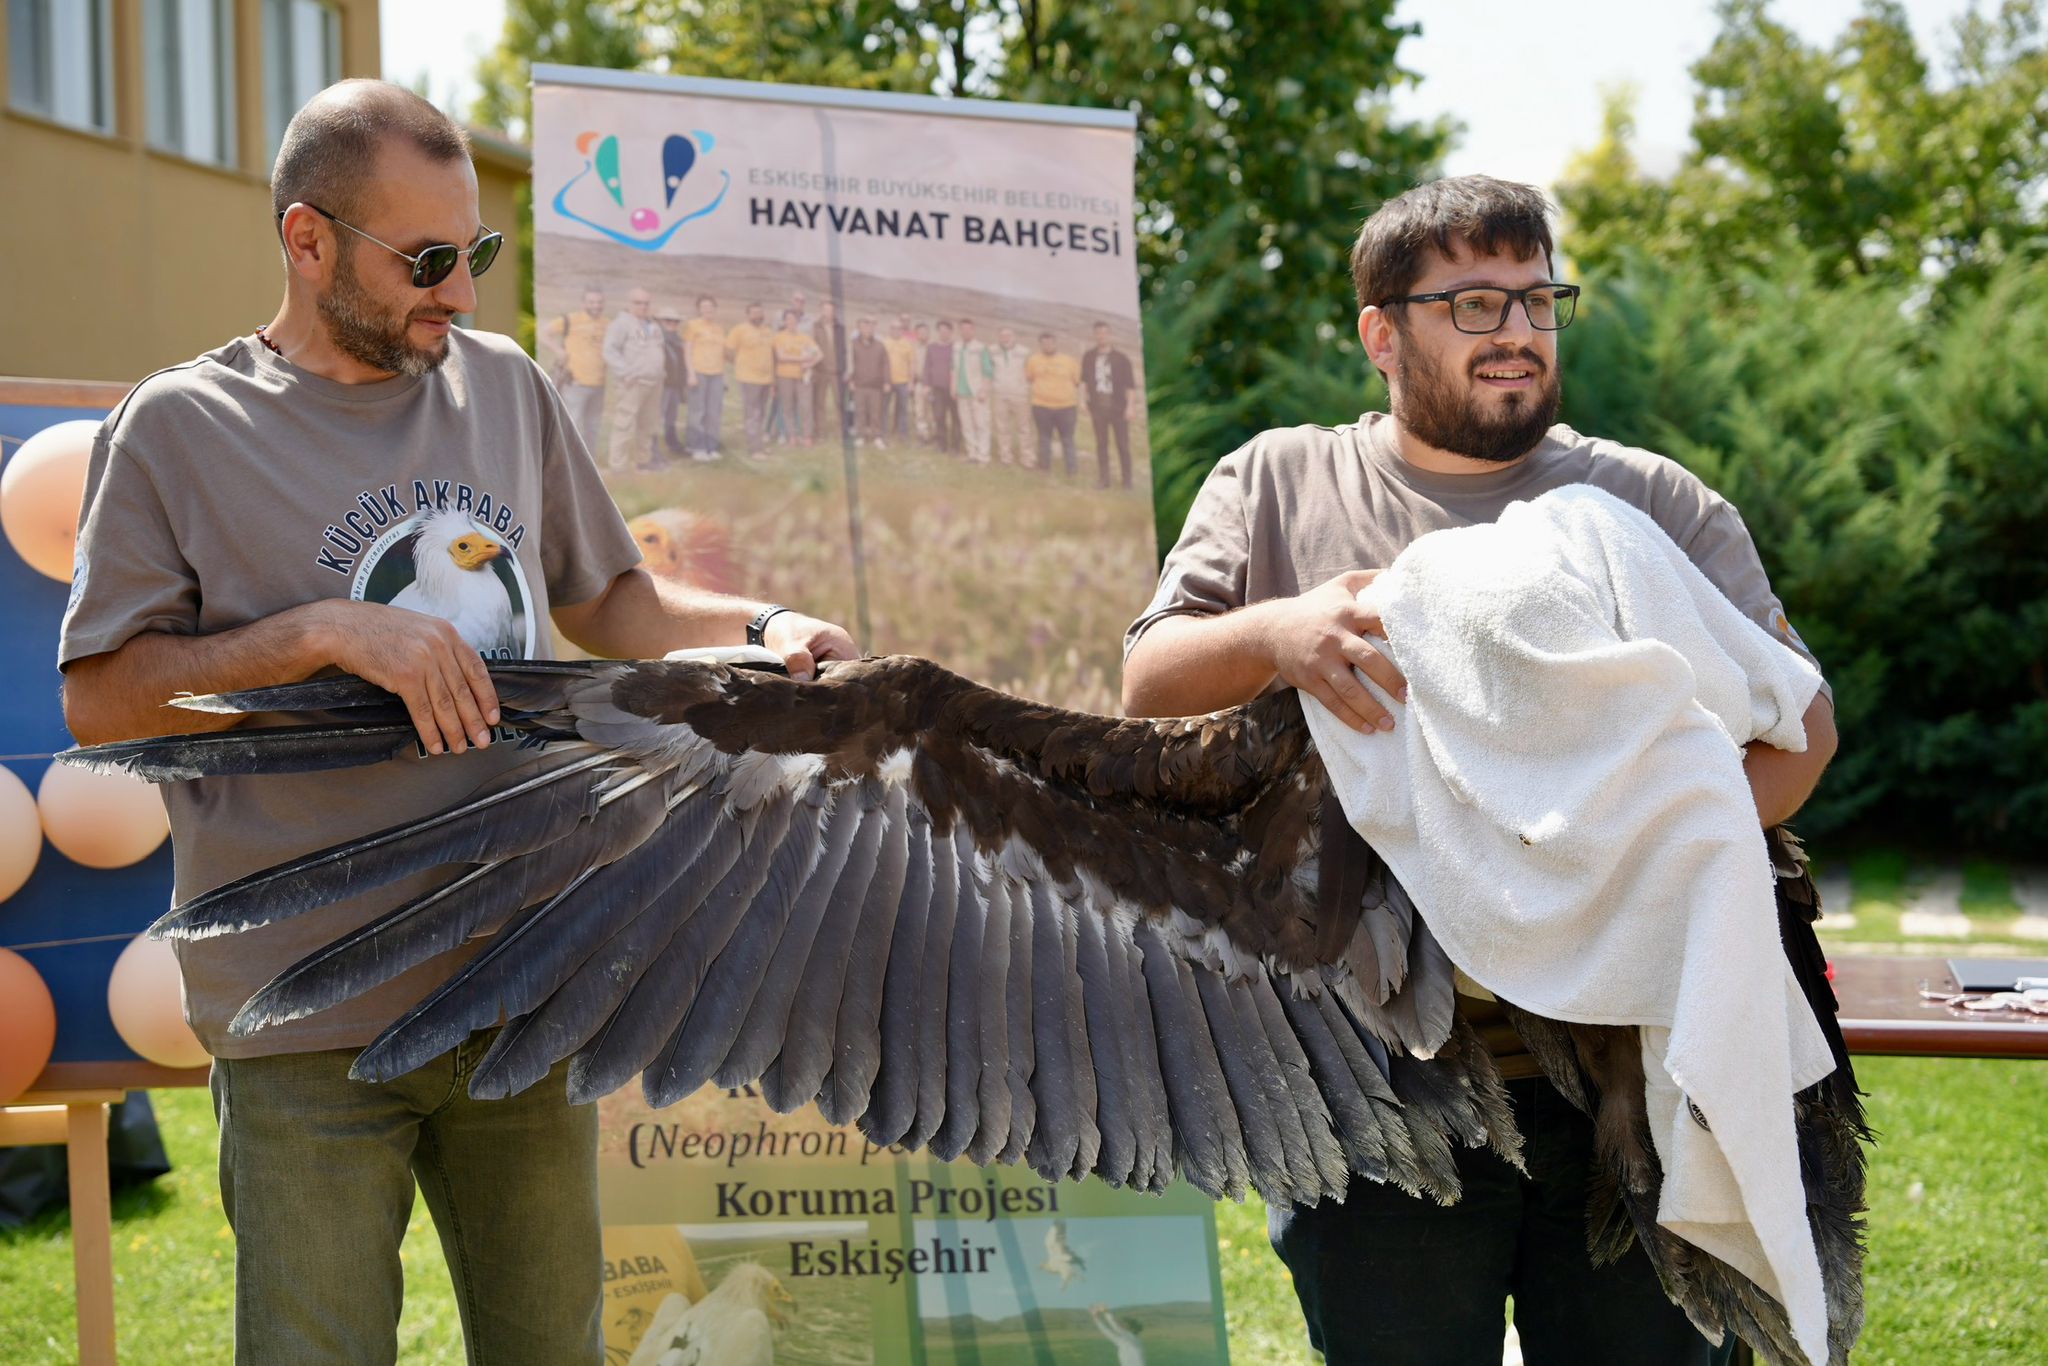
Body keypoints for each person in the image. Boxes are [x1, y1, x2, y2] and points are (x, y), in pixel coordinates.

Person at [56, 79, 857, 1366]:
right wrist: (321, 631)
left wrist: (764, 630)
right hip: (302, 1012)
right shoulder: (175, 429)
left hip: (517, 983)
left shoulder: (503, 385)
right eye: (427, 261)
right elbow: (100, 696)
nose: (464, 294)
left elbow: (610, 596)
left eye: (473, 253)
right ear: (306, 242)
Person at [1120, 175, 1837, 1366]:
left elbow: (1798, 733)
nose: (1514, 329)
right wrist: (1280, 632)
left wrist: (1625, 857)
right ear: (1380, 333)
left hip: (1630, 1085)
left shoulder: (1645, 502)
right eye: (1469, 302)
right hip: (1376, 1087)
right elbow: (1148, 682)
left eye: (1535, 297)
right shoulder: (1278, 482)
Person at [601, 286, 665, 472]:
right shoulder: (621, 324)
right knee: (624, 424)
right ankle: (618, 466)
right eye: (638, 303)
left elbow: (657, 351)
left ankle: (643, 461)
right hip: (633, 382)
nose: (643, 307)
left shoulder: (653, 326)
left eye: (646, 303)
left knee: (647, 424)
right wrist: (625, 372)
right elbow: (609, 350)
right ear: (629, 303)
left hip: (653, 383)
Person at [541, 286, 606, 447]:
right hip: (575, 383)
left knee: (593, 426)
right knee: (573, 425)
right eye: (591, 302)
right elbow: (543, 333)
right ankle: (571, 466)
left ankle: (590, 464)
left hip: (599, 384)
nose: (595, 305)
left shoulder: (607, 324)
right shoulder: (571, 320)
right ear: (584, 303)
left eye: (599, 302)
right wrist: (558, 350)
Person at [1083, 320, 1139, 489]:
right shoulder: (1089, 357)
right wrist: (1082, 401)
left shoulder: (1121, 359)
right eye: (1098, 333)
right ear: (1095, 335)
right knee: (1101, 444)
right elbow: (1084, 381)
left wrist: (1130, 407)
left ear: (1110, 335)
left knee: (1122, 445)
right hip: (1098, 408)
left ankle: (1127, 481)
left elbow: (1130, 385)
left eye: (1105, 333)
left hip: (1118, 409)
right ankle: (1104, 480)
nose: (1101, 336)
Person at [1025, 332, 1080, 476]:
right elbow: (1030, 378)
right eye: (1044, 343)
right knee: (1044, 438)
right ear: (1040, 344)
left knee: (1067, 439)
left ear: (1055, 343)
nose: (1047, 346)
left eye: (1050, 343)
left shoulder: (1069, 361)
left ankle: (1071, 470)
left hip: (1066, 407)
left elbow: (1077, 381)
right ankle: (1044, 468)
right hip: (1041, 406)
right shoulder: (1033, 360)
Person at [726, 301, 776, 460]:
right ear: (748, 314)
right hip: (749, 379)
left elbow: (772, 354)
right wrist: (740, 364)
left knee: (761, 413)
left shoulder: (768, 331)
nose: (757, 316)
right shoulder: (739, 330)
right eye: (754, 313)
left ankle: (759, 443)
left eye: (759, 312)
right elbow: (727, 351)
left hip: (766, 379)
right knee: (752, 414)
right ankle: (754, 449)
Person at [682, 294, 727, 460]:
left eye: (710, 307)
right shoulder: (693, 326)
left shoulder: (719, 328)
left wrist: (724, 376)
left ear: (715, 309)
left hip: (717, 374)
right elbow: (687, 351)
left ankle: (711, 447)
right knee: (697, 412)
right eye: (704, 307)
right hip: (699, 373)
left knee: (714, 413)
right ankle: (697, 447)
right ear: (699, 309)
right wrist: (691, 373)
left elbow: (722, 353)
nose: (707, 310)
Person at [770, 308, 822, 448]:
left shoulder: (804, 337)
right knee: (788, 407)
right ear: (784, 321)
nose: (791, 321)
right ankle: (791, 436)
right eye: (788, 319)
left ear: (797, 321)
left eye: (793, 319)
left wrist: (810, 363)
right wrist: (802, 358)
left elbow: (819, 354)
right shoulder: (779, 337)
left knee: (805, 406)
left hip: (802, 378)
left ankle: (806, 437)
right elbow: (781, 357)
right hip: (784, 377)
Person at [988, 324, 1033, 466]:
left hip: (1020, 395)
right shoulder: (991, 351)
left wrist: (1025, 388)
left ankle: (1027, 459)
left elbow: (1030, 372)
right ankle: (1005, 457)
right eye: (1002, 336)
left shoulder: (1025, 352)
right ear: (998, 337)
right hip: (999, 395)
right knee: (1002, 428)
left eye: (1008, 335)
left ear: (1014, 337)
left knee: (1024, 428)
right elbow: (988, 371)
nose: (1005, 338)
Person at [953, 317, 994, 464]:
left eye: (968, 329)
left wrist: (984, 390)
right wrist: (954, 388)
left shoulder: (980, 347)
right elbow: (954, 368)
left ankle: (983, 456)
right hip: (961, 392)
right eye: (962, 329)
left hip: (977, 393)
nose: (965, 332)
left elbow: (988, 371)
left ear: (973, 330)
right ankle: (972, 454)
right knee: (967, 425)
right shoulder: (957, 347)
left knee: (981, 424)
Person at [849, 316, 890, 448]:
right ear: (859, 329)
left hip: (876, 386)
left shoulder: (880, 345)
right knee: (860, 411)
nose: (867, 330)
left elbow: (885, 364)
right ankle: (860, 436)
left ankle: (877, 436)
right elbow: (850, 363)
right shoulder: (853, 344)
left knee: (875, 412)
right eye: (864, 327)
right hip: (859, 384)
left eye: (870, 327)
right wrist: (850, 380)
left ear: (873, 329)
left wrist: (887, 382)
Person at [811, 300, 847, 443]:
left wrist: (844, 369)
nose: (829, 313)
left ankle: (841, 431)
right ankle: (820, 432)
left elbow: (844, 351)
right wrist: (813, 368)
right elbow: (811, 348)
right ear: (821, 311)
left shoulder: (840, 328)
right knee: (819, 403)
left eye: (831, 310)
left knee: (839, 402)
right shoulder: (815, 327)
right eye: (826, 310)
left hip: (836, 372)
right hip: (820, 371)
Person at [924, 319, 959, 455]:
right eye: (941, 331)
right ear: (938, 332)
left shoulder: (956, 347)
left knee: (956, 418)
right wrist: (927, 384)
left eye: (946, 331)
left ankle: (955, 446)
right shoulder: (932, 347)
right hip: (937, 389)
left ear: (951, 332)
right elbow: (927, 367)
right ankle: (941, 444)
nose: (943, 333)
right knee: (939, 417)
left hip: (953, 389)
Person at [656, 303, 686, 458]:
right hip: (661, 385)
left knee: (671, 417)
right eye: (668, 320)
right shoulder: (654, 339)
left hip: (674, 385)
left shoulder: (679, 341)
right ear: (661, 321)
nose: (672, 324)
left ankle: (672, 443)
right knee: (657, 417)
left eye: (675, 321)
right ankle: (653, 449)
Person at [884, 318, 917, 442]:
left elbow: (912, 363)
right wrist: (883, 381)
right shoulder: (885, 343)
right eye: (893, 328)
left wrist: (911, 381)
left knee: (903, 409)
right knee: (885, 409)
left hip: (903, 382)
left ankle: (903, 434)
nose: (895, 330)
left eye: (898, 328)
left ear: (902, 330)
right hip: (887, 382)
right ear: (890, 329)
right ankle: (884, 433)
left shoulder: (907, 343)